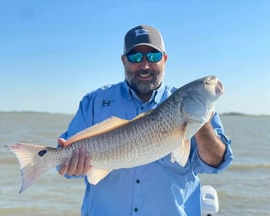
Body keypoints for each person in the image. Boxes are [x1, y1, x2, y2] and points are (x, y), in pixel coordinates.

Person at [57, 25, 233, 216]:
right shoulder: (94, 102)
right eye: (135, 57)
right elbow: (62, 164)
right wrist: (70, 165)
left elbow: (216, 162)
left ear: (165, 59)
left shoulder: (196, 107)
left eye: (153, 56)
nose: (145, 65)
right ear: (123, 61)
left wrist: (199, 122)